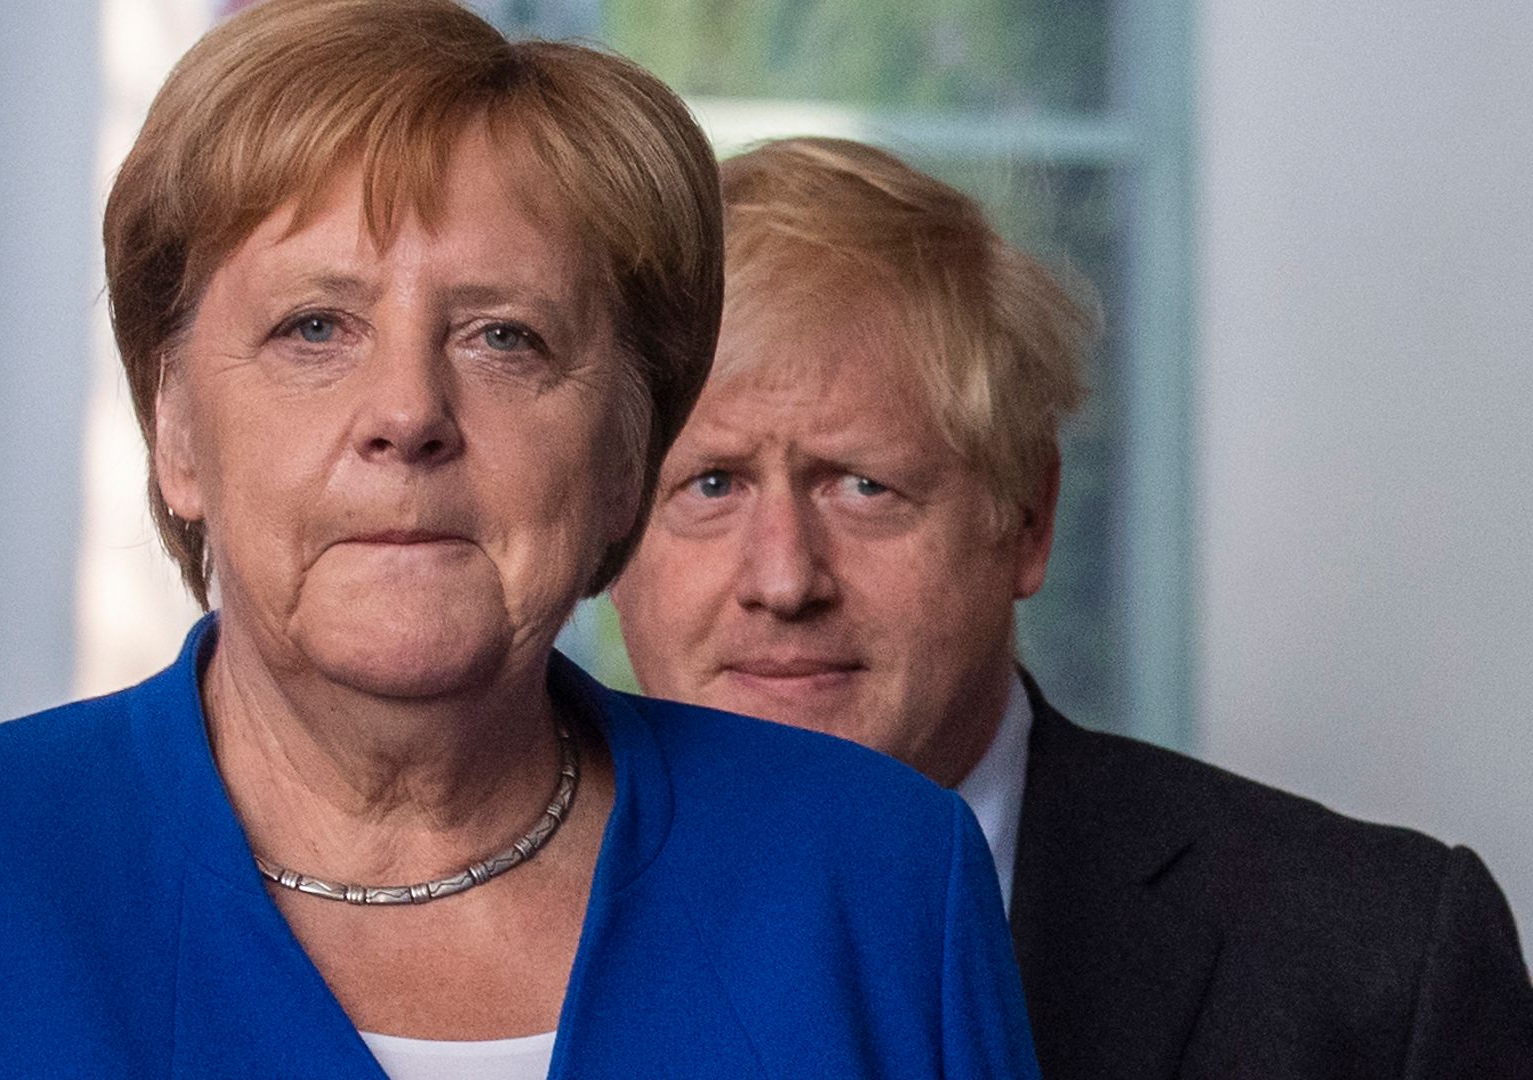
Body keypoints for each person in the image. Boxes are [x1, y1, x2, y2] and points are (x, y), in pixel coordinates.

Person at [0, 9, 1041, 1078]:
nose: (407, 413)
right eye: (313, 327)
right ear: (178, 433)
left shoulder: (875, 880)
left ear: (629, 449)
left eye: (505, 336)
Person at [612, 135, 1533, 1079]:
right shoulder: (472, 947)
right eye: (711, 483)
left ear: (1029, 518)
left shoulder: (1380, 962)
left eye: (862, 486)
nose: (783, 580)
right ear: (609, 529)